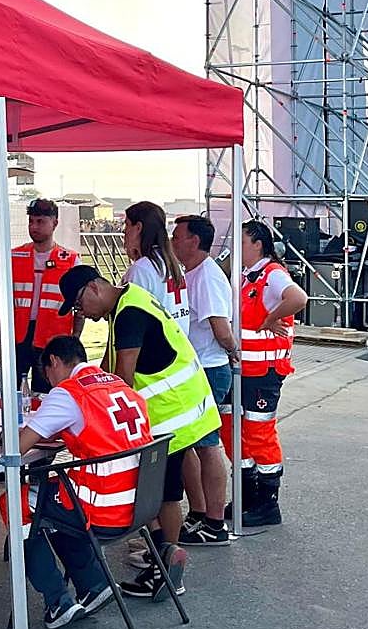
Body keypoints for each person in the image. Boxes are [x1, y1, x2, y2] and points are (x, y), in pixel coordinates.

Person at [58, 264, 218, 599]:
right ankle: (163, 557)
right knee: (157, 493)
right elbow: (108, 368)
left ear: (93, 289)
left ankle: (167, 569)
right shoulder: (128, 302)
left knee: (161, 496)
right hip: (178, 411)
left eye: (78, 305)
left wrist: (91, 412)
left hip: (175, 414)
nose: (82, 315)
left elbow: (124, 380)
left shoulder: (129, 314)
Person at [3, 335, 159, 629]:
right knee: (55, 505)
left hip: (103, 507)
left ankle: (57, 601)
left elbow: (15, 447)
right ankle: (93, 584)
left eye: (47, 374)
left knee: (15, 501)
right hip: (139, 504)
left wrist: (9, 437)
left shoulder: (69, 393)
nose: (48, 382)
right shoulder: (118, 384)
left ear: (53, 362)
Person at [230, 220, 308, 527]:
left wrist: (269, 318)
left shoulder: (271, 274)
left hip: (263, 372)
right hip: (245, 369)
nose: (238, 249)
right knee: (239, 433)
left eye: (243, 243)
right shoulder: (248, 277)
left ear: (258, 245)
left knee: (259, 434)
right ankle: (247, 497)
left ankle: (267, 504)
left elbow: (299, 299)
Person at [172, 215, 240, 546]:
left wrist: (233, 351)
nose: (172, 241)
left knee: (207, 444)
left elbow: (220, 327)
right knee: (191, 445)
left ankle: (215, 522)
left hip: (210, 370)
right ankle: (199, 513)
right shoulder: (191, 274)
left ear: (195, 241)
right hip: (196, 370)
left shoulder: (208, 278)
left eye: (177, 236)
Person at [0, 198, 83, 410]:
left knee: (47, 397)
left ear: (55, 223)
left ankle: (43, 437)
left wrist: (74, 340)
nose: (34, 227)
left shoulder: (70, 260)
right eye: (31, 221)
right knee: (5, 394)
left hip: (53, 341)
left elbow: (80, 308)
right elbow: (3, 305)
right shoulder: (14, 256)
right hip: (16, 338)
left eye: (40, 221)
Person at [122, 202, 189, 334]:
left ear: (138, 227)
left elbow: (130, 319)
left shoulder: (141, 269)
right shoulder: (171, 263)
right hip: (178, 346)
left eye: (127, 224)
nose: (124, 230)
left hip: (157, 349)